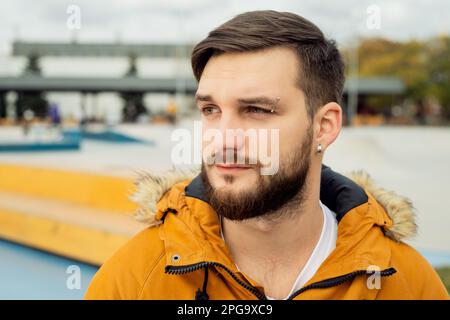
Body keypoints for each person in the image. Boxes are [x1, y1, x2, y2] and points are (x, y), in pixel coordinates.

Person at [85, 10, 448, 300]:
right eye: (211, 110)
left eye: (257, 110)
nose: (223, 139)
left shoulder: (405, 284)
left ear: (324, 126)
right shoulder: (136, 279)